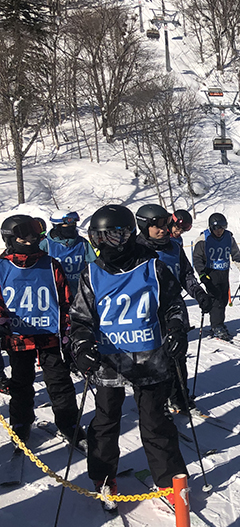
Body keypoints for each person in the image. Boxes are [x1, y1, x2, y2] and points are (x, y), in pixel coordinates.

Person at [69, 205, 188, 504]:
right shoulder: (92, 274)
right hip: (109, 362)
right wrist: (81, 347)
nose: (99, 244)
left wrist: (176, 329)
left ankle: (169, 482)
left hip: (151, 359)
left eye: (105, 237)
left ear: (122, 237)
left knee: (155, 422)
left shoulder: (152, 267)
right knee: (106, 421)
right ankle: (103, 478)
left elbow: (174, 304)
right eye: (96, 238)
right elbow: (80, 320)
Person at [0, 215, 83, 446]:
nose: (29, 240)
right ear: (10, 238)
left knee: (60, 382)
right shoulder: (3, 266)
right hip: (19, 337)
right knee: (21, 382)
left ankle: (69, 422)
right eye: (23, 235)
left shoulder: (50, 264)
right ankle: (21, 421)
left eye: (33, 235)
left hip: (49, 336)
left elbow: (65, 299)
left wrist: (68, 330)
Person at [135, 204, 213, 414]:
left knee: (177, 354)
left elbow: (186, 275)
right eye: (157, 226)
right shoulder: (136, 250)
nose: (163, 230)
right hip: (147, 312)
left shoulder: (174, 247)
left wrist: (199, 293)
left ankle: (179, 397)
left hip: (174, 309)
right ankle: (156, 405)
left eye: (165, 225)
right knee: (153, 360)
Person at [192, 213, 240, 341]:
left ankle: (218, 324)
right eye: (216, 228)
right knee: (215, 300)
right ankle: (216, 326)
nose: (219, 231)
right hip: (210, 274)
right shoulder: (203, 239)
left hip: (224, 272)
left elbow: (236, 256)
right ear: (211, 227)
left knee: (223, 300)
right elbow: (197, 259)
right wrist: (202, 273)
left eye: (221, 228)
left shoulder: (228, 237)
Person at [39, 211, 96, 295]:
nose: (71, 227)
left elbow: (94, 266)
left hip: (78, 292)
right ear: (56, 226)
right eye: (67, 225)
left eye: (73, 224)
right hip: (56, 292)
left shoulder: (82, 243)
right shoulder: (46, 244)